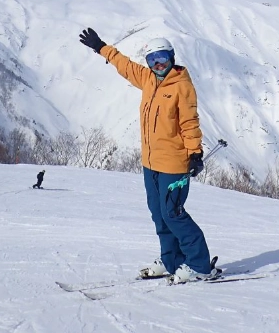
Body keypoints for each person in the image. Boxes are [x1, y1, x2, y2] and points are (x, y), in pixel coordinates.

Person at [79, 28, 216, 284]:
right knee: (158, 213)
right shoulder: (148, 79)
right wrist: (101, 47)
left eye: (162, 57)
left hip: (174, 163)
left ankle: (200, 265)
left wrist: (195, 153)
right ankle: (171, 260)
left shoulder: (182, 86)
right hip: (150, 163)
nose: (158, 64)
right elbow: (125, 66)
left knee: (173, 213)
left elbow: (189, 123)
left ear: (172, 57)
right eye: (152, 59)